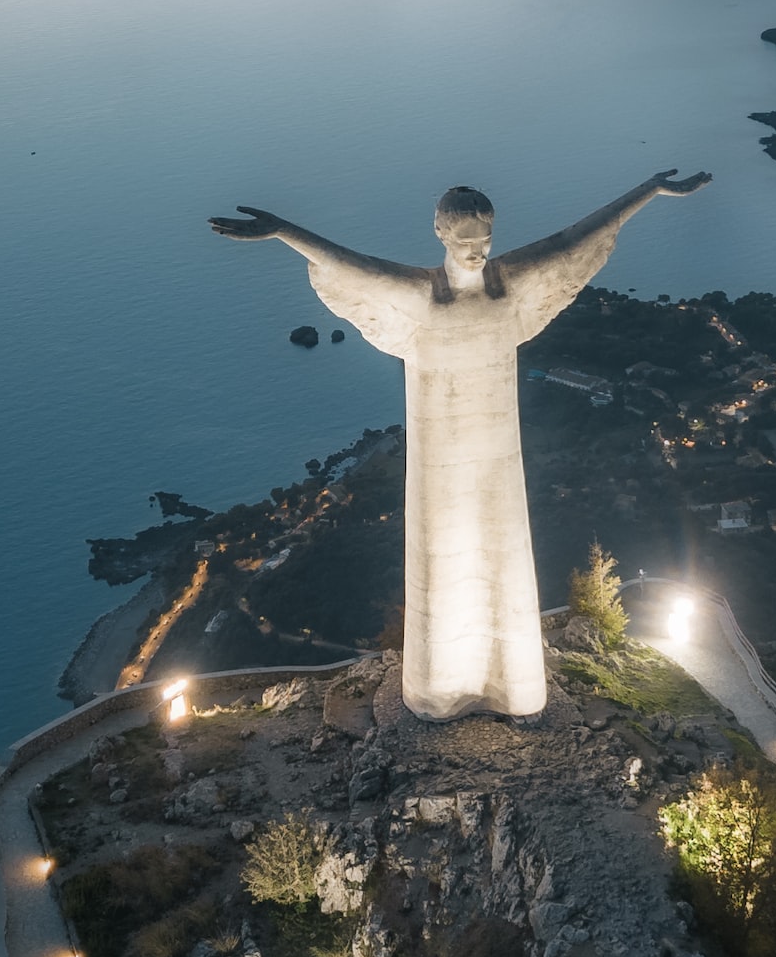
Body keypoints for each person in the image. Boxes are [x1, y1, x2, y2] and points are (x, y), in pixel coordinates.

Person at [211, 171, 708, 718]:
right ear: (441, 236)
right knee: (440, 563)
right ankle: (439, 693)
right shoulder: (420, 297)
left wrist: (649, 190)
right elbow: (351, 266)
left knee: (504, 554)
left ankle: (514, 687)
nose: (476, 253)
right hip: (438, 454)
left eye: (484, 242)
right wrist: (283, 230)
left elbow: (575, 241)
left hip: (499, 451)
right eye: (465, 243)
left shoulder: (511, 287)